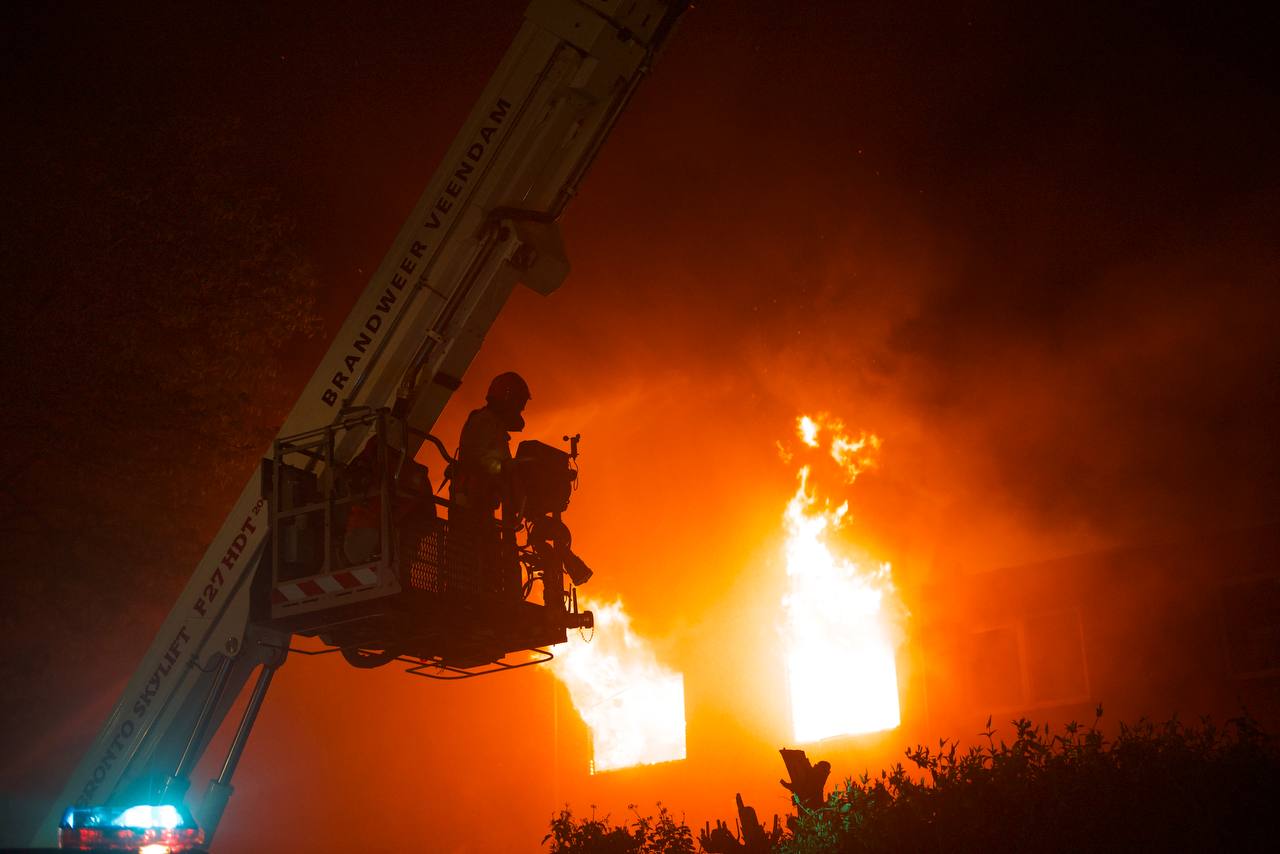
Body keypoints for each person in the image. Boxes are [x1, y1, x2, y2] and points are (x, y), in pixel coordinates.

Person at [448, 371, 531, 593]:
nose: (521, 410)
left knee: (485, 549)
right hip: (470, 500)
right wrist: (507, 468)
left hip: (479, 501)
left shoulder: (491, 423)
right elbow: (480, 459)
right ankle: (471, 592)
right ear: (507, 398)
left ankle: (483, 588)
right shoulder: (484, 422)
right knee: (473, 550)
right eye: (519, 403)